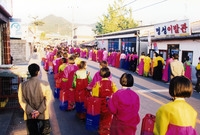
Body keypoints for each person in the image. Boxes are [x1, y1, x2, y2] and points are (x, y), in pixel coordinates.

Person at [18, 63, 53, 135]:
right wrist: (39, 111)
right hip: (43, 115)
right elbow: (47, 99)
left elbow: (22, 100)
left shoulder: (22, 85)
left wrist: (32, 111)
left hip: (30, 116)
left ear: (29, 72)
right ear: (38, 72)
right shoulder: (45, 83)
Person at [92, 67, 117, 135]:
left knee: (101, 118)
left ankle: (101, 130)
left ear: (100, 74)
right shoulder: (112, 83)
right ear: (109, 74)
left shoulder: (98, 84)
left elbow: (95, 95)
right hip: (109, 105)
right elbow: (115, 94)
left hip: (100, 104)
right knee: (108, 118)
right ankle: (106, 131)